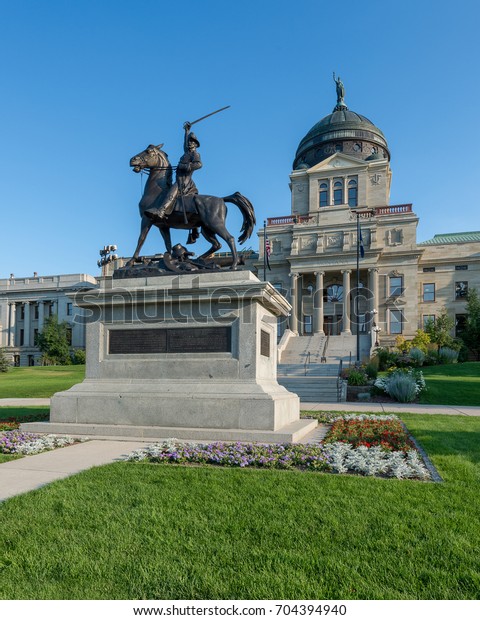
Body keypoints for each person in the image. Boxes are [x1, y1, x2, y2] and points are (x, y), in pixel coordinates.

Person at [146, 121, 202, 221]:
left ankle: (161, 211)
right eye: (189, 141)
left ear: (195, 145)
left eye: (192, 142)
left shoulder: (195, 154)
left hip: (184, 181)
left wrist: (184, 166)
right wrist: (186, 131)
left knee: (172, 191)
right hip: (180, 178)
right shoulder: (187, 153)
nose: (189, 143)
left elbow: (199, 164)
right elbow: (184, 144)